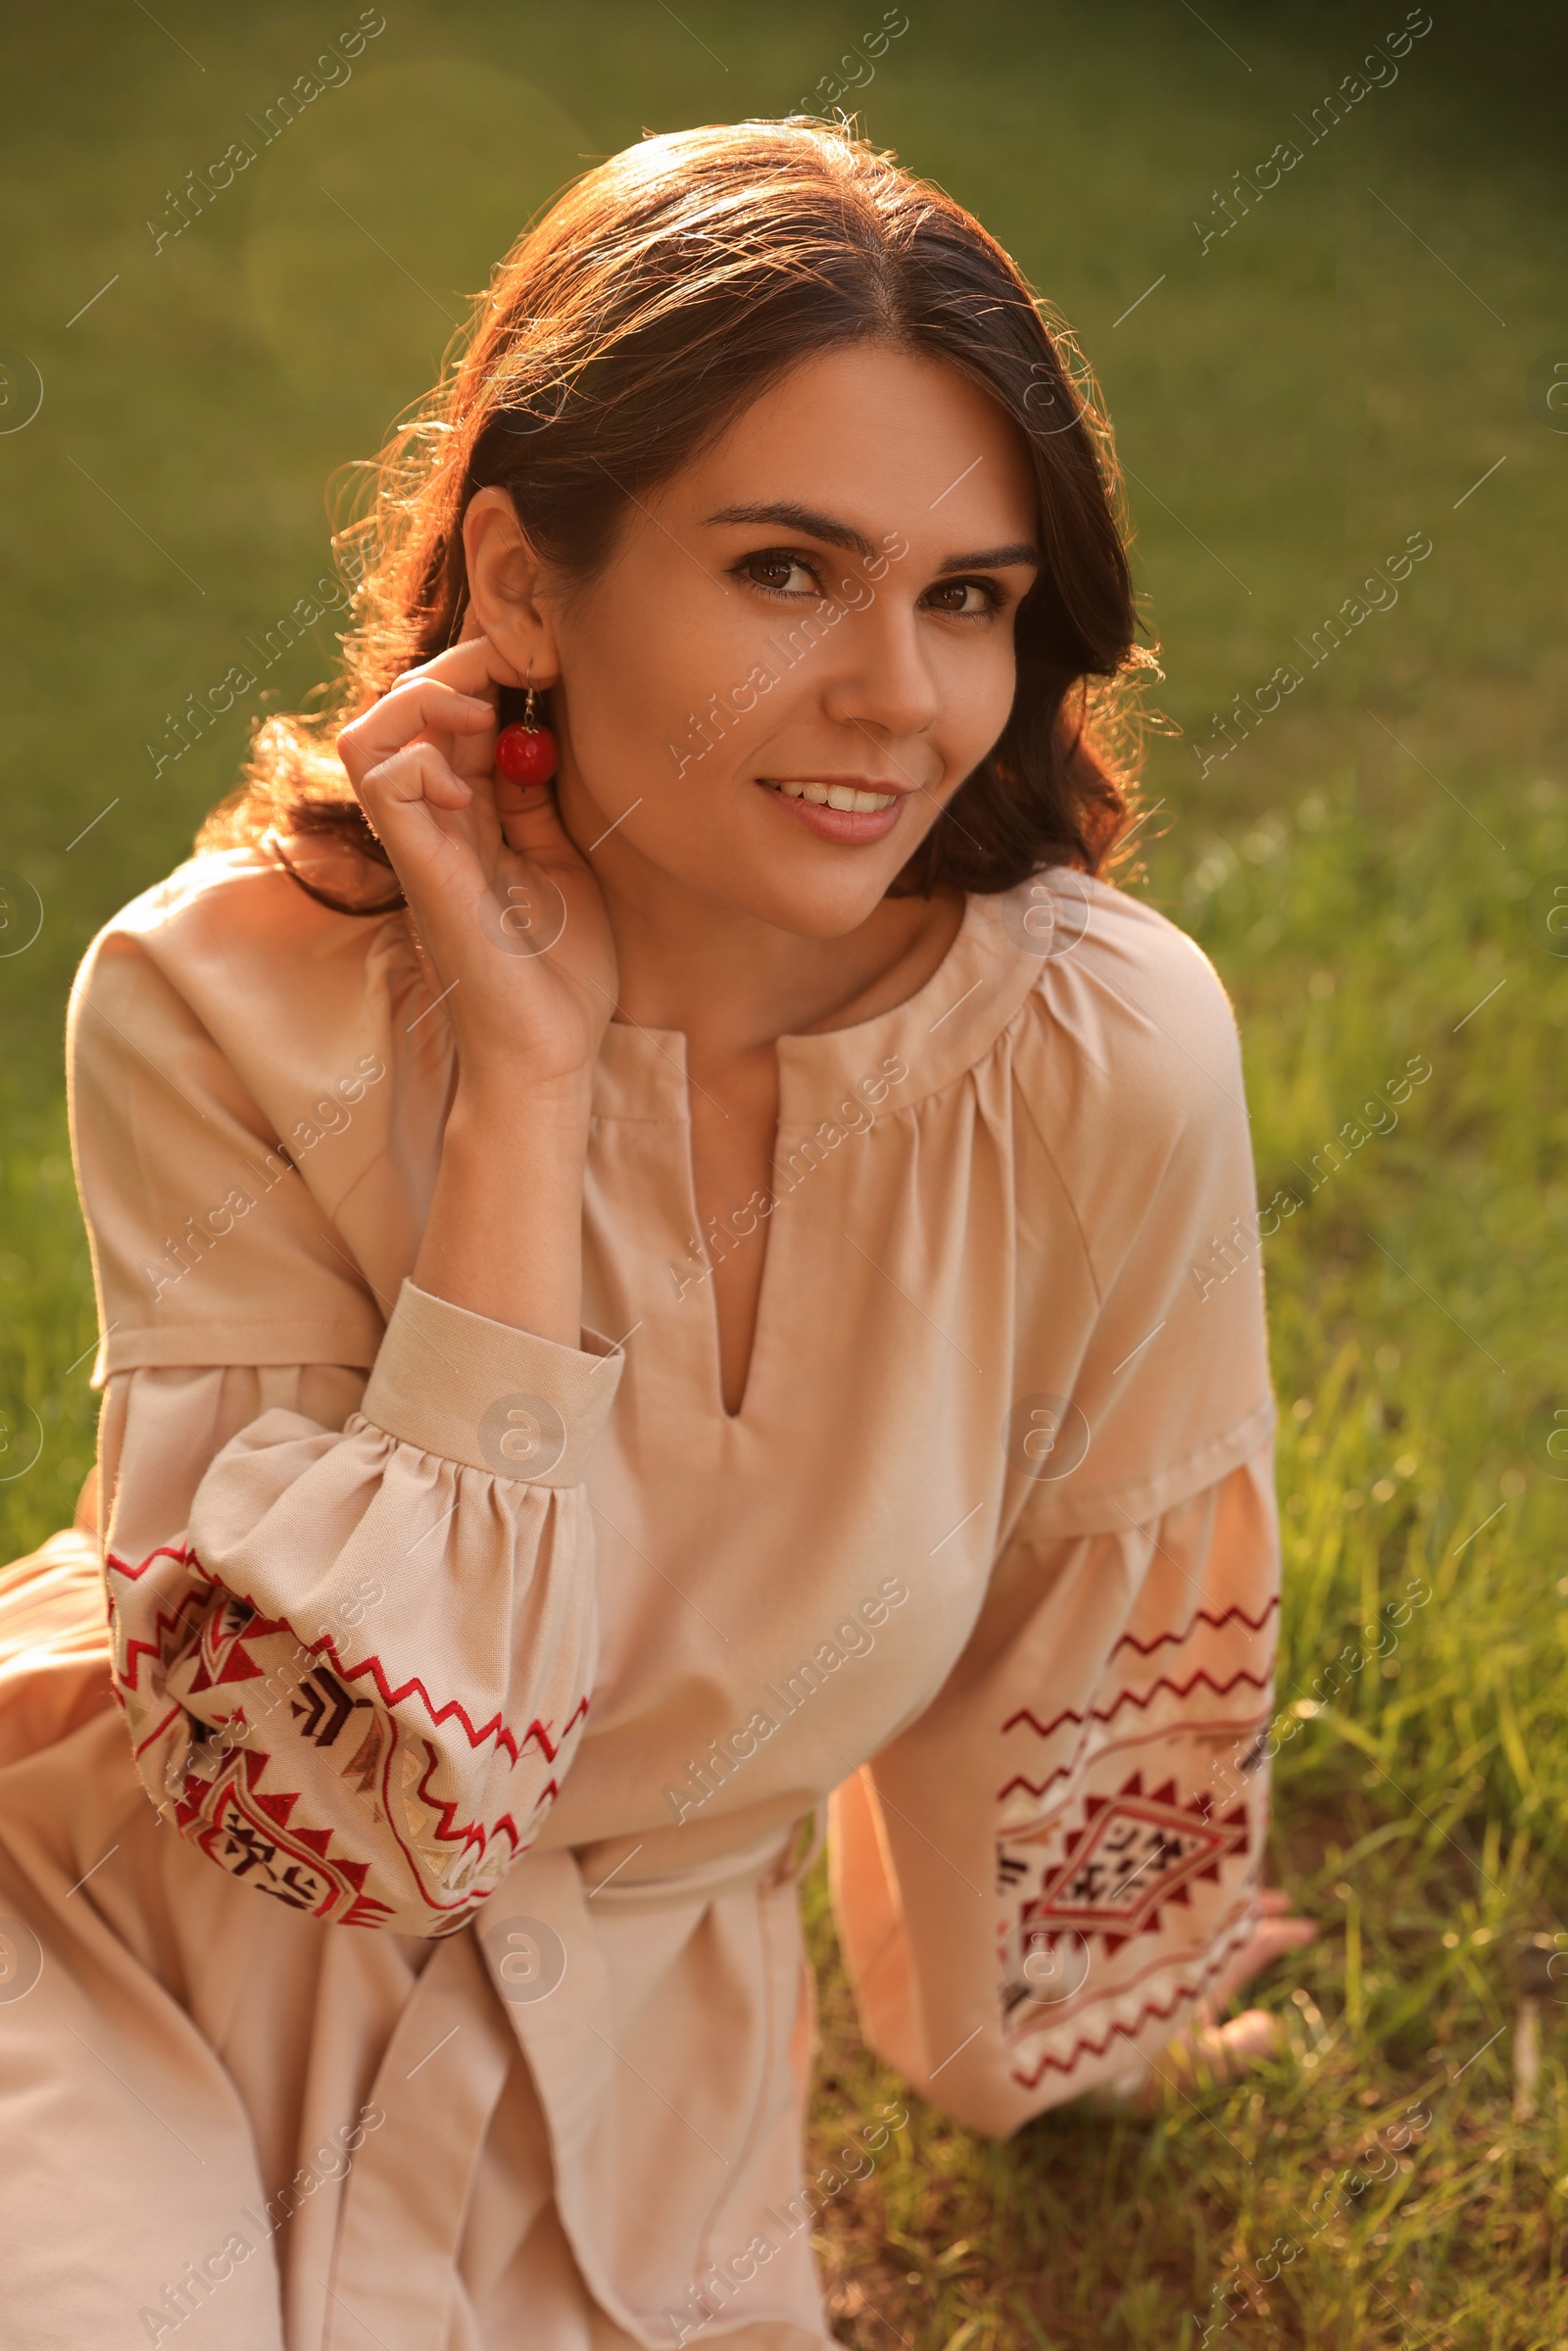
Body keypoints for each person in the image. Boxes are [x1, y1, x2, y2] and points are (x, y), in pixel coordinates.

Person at [0, 119, 1312, 2351]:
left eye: (965, 596)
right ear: (521, 581)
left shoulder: (1096, 1057)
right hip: (133, 1944)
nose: (895, 695)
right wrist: (522, 1091)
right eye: (786, 571)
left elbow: (1091, 1610)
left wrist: (1056, 2036)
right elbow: (346, 1802)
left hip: (632, 2114)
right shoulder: (220, 1002)